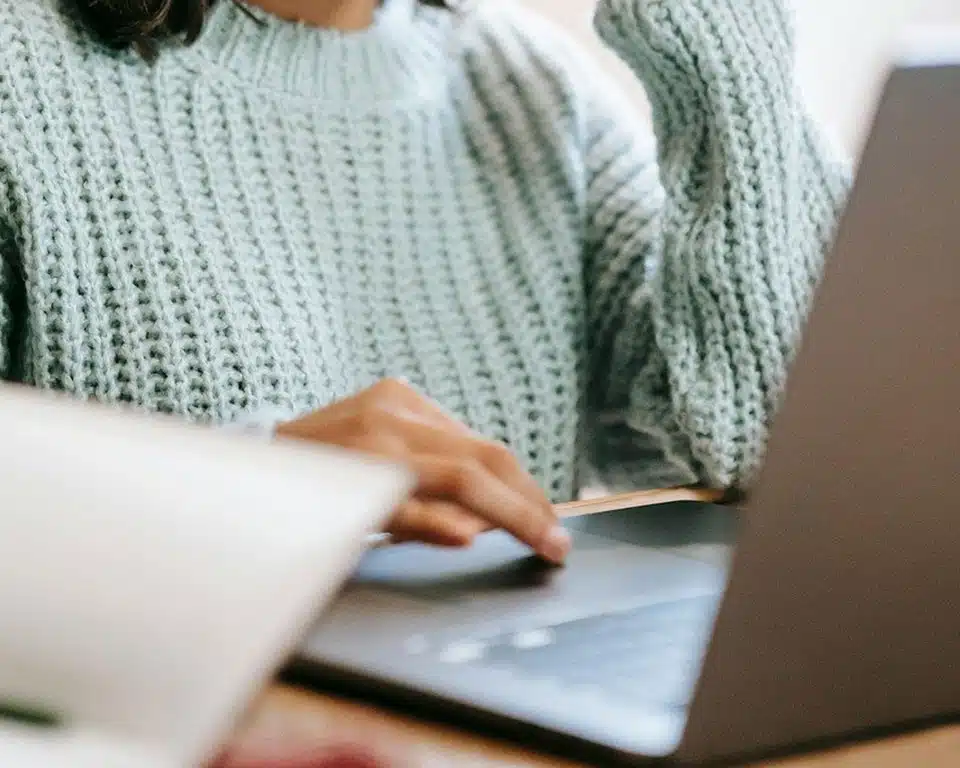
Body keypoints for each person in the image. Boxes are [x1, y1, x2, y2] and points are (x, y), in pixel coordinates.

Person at [0, 0, 849, 562]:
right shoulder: (21, 69)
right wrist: (230, 492)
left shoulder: (530, 88)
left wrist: (718, 42)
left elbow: (786, 464)